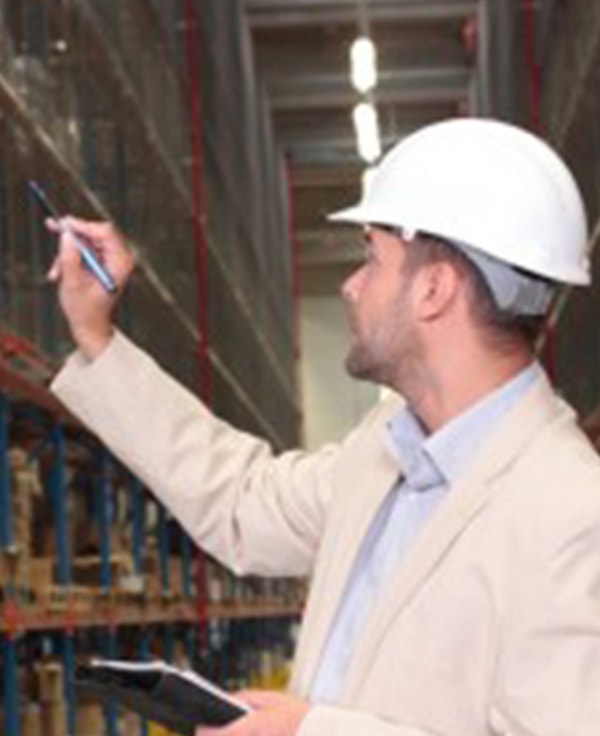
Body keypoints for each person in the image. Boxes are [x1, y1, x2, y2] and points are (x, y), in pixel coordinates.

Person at [48, 118, 600, 736]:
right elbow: (241, 501)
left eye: (372, 255)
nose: (351, 284)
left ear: (434, 290)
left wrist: (311, 731)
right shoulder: (388, 446)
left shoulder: (572, 514)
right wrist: (97, 336)